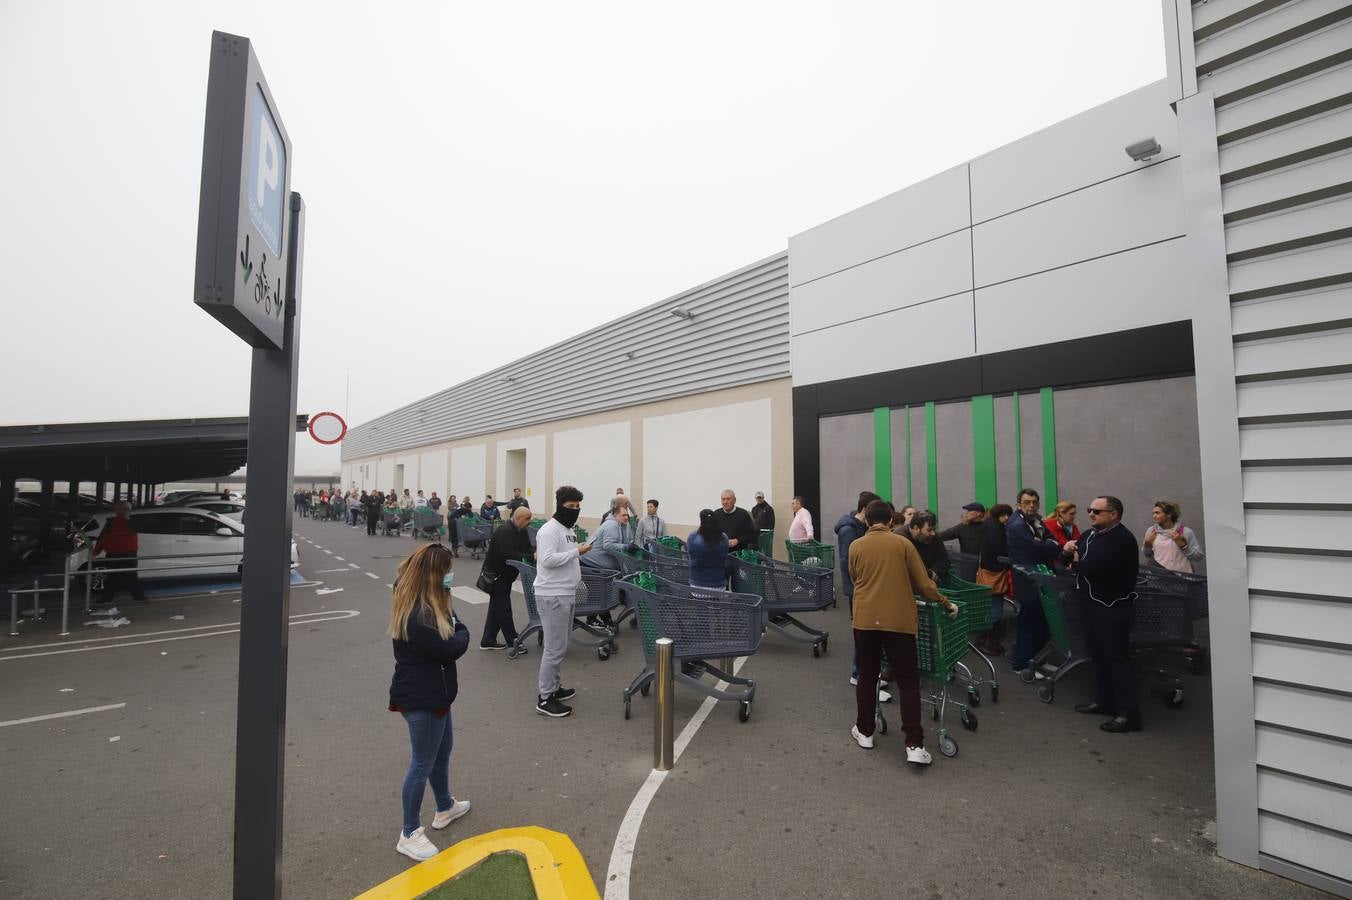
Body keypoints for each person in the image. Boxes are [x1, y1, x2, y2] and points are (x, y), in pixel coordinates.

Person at [848, 499, 953, 766]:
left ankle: (865, 731)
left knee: (867, 676)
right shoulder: (904, 544)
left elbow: (854, 577)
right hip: (900, 622)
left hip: (865, 620)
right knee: (907, 681)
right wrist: (945, 603)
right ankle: (914, 745)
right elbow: (925, 585)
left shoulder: (856, 546)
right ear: (892, 522)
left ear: (868, 521)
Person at [387, 543, 471, 861]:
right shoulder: (420, 614)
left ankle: (445, 806)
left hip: (434, 693)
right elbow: (451, 647)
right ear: (435, 574)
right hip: (421, 697)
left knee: (441, 753)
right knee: (422, 762)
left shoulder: (428, 602)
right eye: (448, 570)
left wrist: (453, 621)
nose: (451, 575)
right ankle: (409, 833)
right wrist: (461, 627)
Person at [1066, 496, 1142, 733]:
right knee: (1098, 657)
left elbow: (1092, 568)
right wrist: (1068, 550)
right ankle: (1104, 701)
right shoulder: (1089, 536)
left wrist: (1076, 563)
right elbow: (1064, 560)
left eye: (1097, 511)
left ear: (1114, 515)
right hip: (1090, 605)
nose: (1091, 514)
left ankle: (1128, 715)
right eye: (1090, 510)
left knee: (1117, 659)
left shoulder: (1122, 539)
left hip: (1113, 608)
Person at [534, 485, 591, 718]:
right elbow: (546, 560)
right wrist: (577, 552)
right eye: (570, 506)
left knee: (561, 644)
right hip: (553, 594)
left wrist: (577, 552)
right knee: (554, 648)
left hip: (566, 592)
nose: (575, 510)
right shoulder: (550, 530)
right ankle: (545, 698)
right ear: (560, 505)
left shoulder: (568, 529)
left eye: (578, 506)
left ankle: (554, 688)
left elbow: (565, 557)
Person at [1007, 489, 1063, 679]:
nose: (1031, 505)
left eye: (1034, 502)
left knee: (1042, 620)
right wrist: (1045, 545)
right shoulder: (1016, 524)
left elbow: (1053, 542)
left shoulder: (1035, 521)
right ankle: (1022, 663)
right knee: (1029, 621)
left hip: (1041, 576)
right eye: (1027, 502)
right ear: (1018, 504)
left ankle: (1039, 660)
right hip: (1028, 579)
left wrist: (1045, 544)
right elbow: (1034, 549)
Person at [837, 491, 886, 698]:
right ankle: (859, 674)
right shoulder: (849, 530)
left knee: (865, 633)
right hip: (858, 588)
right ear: (865, 510)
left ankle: (866, 672)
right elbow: (849, 562)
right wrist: (863, 582)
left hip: (861, 587)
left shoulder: (858, 527)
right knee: (862, 632)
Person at [479, 507, 533, 650]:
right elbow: (507, 554)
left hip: (506, 575)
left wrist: (533, 554)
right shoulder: (505, 531)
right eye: (527, 519)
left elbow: (528, 548)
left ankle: (487, 640)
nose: (530, 523)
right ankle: (513, 641)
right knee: (504, 609)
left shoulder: (521, 530)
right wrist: (529, 556)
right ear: (519, 518)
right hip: (497, 576)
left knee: (496, 608)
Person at [973, 504, 1014, 655]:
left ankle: (983, 639)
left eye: (1008, 515)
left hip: (986, 571)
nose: (1006, 518)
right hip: (994, 573)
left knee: (991, 607)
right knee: (995, 609)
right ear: (997, 516)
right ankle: (987, 641)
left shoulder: (987, 526)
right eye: (1003, 515)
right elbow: (1002, 550)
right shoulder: (997, 530)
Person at [93, 501, 145, 604]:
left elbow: (134, 529)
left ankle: (139, 598)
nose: (118, 511)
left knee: (131, 577)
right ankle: (108, 598)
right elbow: (103, 538)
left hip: (128, 554)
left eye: (123, 509)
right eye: (118, 509)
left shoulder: (132, 521)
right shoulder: (111, 523)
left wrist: (127, 517)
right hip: (114, 554)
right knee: (113, 577)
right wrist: (96, 551)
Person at [1143, 500, 1204, 574]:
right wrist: (1147, 544)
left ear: (1169, 514)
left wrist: (1183, 545)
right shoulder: (1151, 531)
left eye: (1157, 513)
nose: (1154, 516)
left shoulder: (1185, 532)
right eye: (1153, 513)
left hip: (1182, 579)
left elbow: (1198, 557)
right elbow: (1147, 555)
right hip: (1158, 579)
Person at [687, 508, 730, 589]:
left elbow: (691, 557)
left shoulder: (693, 537)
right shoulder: (723, 537)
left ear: (701, 520)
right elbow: (724, 556)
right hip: (719, 584)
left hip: (697, 584)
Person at [902, 510, 950, 580]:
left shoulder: (934, 537)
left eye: (934, 529)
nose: (933, 533)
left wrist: (934, 572)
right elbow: (906, 566)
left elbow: (943, 560)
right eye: (929, 530)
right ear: (916, 528)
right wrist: (929, 574)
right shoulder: (900, 539)